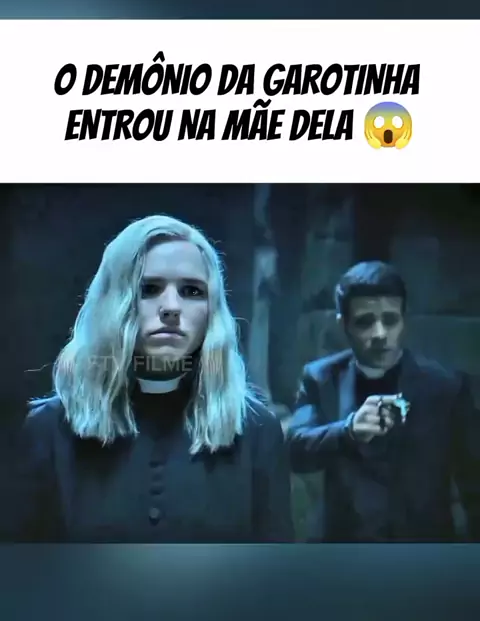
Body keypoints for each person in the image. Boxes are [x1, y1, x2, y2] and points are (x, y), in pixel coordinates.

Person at [11, 215, 293, 542]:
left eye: (191, 291)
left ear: (211, 310)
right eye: (149, 289)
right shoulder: (50, 430)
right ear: (114, 301)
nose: (171, 307)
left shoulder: (257, 432)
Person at [286, 260, 480, 542]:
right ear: (343, 325)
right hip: (344, 549)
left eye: (390, 320)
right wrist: (348, 431)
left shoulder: (446, 387)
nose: (380, 334)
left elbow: (474, 482)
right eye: (365, 322)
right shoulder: (321, 378)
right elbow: (296, 451)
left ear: (404, 320)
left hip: (424, 551)